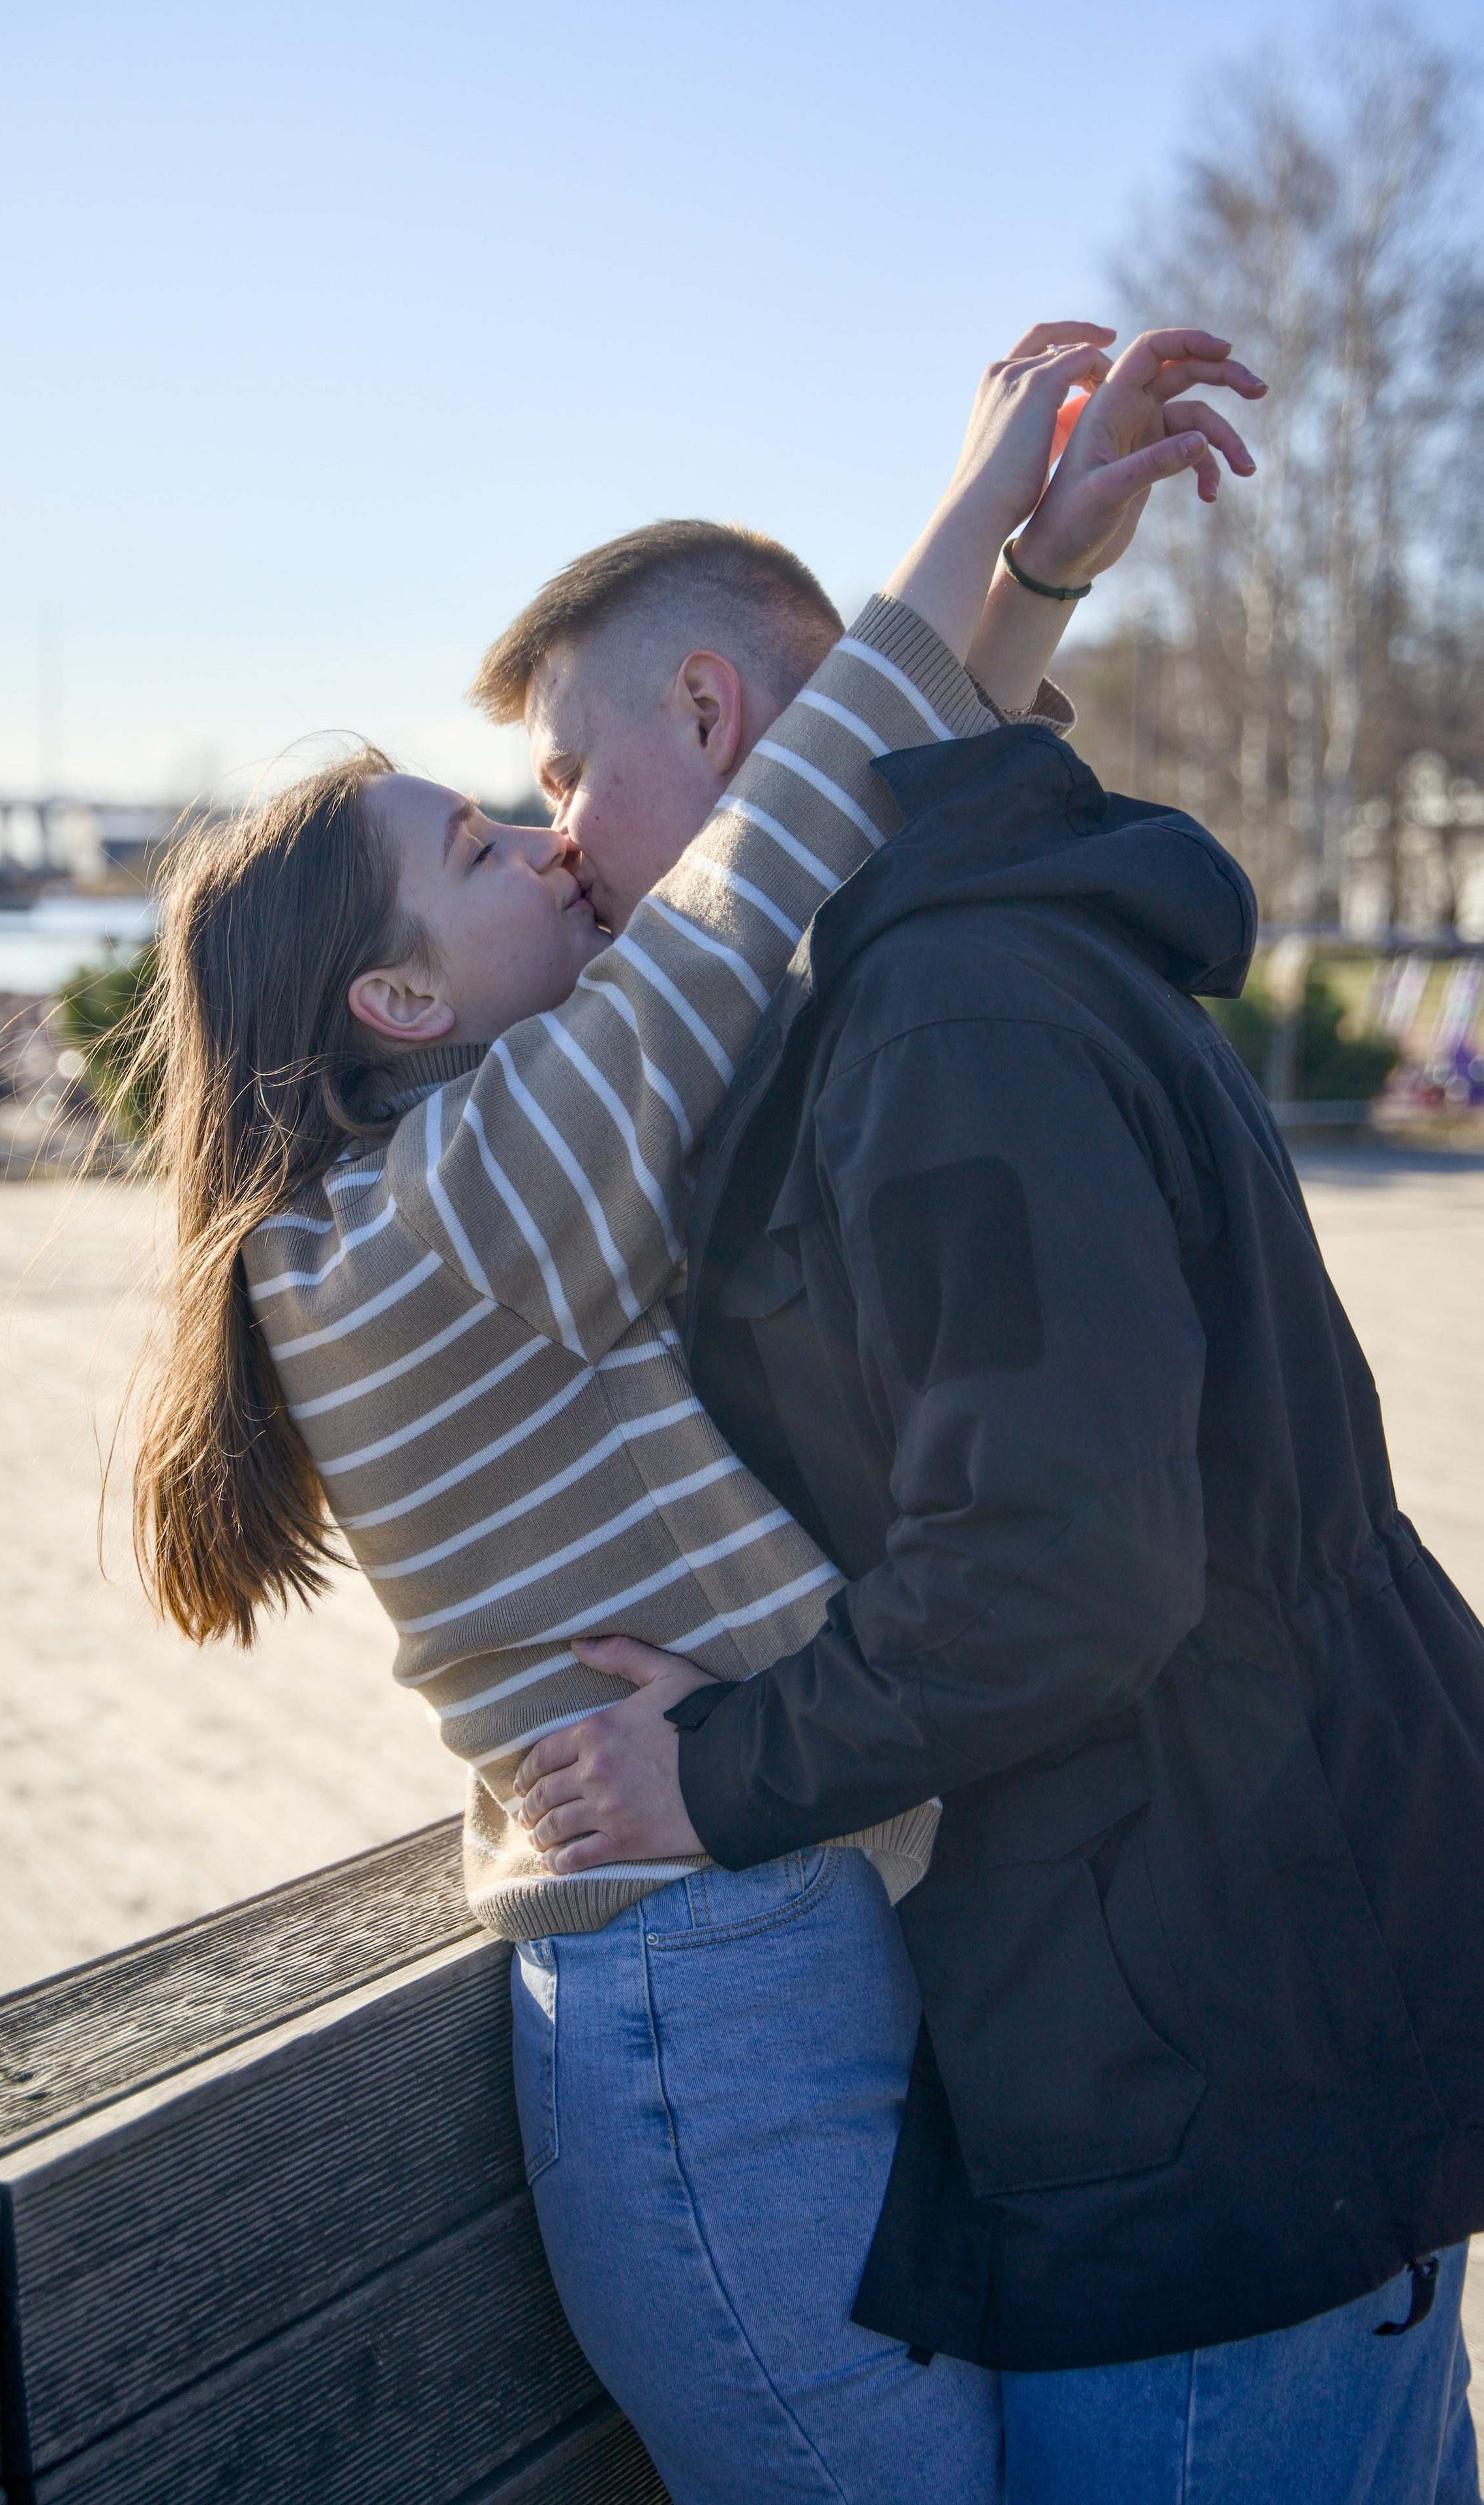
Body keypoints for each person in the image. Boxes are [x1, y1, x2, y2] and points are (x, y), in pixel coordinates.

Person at [127, 324, 1262, 2504]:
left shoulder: (463, 1178)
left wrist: (1031, 586)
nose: (550, 851)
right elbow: (751, 892)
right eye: (485, 847)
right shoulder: (446, 1208)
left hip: (768, 1912)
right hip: (701, 1996)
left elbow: (799, 871)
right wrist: (977, 519)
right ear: (397, 997)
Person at [511, 572, 1484, 2495]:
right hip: (1277, 1968)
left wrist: (718, 1771)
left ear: (706, 713)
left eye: (561, 775)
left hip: (1216, 2051)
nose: (553, 848)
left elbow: (1061, 1567)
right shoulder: (952, 960)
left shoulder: (942, 1016)